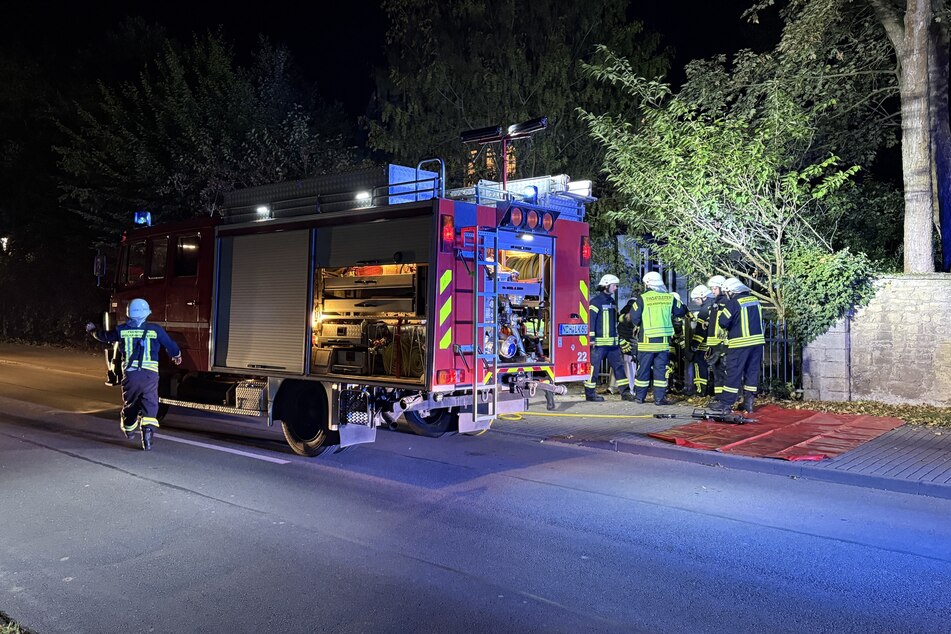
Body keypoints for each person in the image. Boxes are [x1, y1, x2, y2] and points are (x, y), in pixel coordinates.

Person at [86, 298, 182, 450]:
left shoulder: (121, 330)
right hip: (150, 374)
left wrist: (92, 331)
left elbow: (104, 336)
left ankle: (129, 429)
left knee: (130, 403)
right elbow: (170, 345)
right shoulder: (156, 330)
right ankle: (148, 431)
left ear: (129, 314)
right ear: (147, 313)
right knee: (150, 401)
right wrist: (176, 355)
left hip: (131, 375)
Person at [628, 271, 687, 405]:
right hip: (663, 343)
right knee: (661, 372)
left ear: (647, 284)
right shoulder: (669, 298)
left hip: (647, 342)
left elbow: (635, 318)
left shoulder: (642, 298)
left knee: (643, 370)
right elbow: (681, 311)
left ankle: (640, 397)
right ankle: (659, 399)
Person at [714, 277, 765, 413]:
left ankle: (725, 404)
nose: (726, 295)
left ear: (732, 291)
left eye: (727, 292)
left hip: (740, 344)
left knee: (733, 372)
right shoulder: (755, 300)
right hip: (757, 343)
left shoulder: (733, 303)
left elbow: (723, 321)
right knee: (752, 372)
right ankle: (748, 403)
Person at [584, 274, 634, 402]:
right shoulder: (595, 302)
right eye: (614, 285)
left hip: (612, 344)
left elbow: (615, 321)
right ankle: (590, 394)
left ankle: (625, 392)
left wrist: (626, 319)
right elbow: (591, 320)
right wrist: (591, 339)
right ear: (606, 285)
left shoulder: (612, 302)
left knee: (619, 368)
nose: (616, 288)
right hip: (598, 345)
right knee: (593, 369)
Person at [703, 275, 729, 406]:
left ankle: (726, 398)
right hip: (714, 344)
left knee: (724, 372)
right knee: (717, 372)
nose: (712, 291)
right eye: (712, 289)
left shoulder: (726, 303)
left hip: (722, 343)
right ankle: (719, 396)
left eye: (714, 288)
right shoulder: (715, 303)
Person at [688, 285, 714, 396]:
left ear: (702, 297)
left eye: (696, 299)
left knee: (699, 364)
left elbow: (700, 332)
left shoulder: (704, 310)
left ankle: (700, 390)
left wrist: (693, 345)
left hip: (704, 344)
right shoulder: (715, 306)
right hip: (716, 343)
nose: (696, 302)